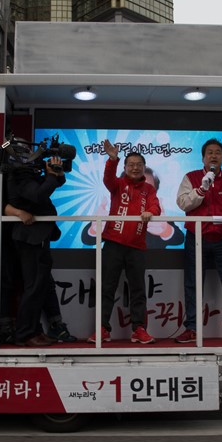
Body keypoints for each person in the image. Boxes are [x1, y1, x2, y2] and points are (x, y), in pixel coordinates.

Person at [174, 138, 222, 344]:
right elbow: (183, 203)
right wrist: (201, 189)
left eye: (218, 152)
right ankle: (191, 328)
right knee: (193, 284)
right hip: (195, 238)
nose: (213, 156)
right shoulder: (191, 177)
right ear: (203, 157)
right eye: (209, 152)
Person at [88, 139, 161, 344]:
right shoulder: (118, 184)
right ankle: (102, 329)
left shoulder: (149, 189)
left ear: (144, 167)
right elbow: (108, 179)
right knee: (107, 287)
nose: (135, 168)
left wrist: (150, 212)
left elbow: (156, 207)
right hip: (113, 243)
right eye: (131, 165)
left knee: (138, 290)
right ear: (125, 167)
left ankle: (139, 329)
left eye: (139, 165)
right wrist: (112, 159)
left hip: (137, 247)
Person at [5, 155, 71, 347]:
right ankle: (26, 334)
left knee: (40, 286)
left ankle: (33, 331)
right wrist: (50, 176)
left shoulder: (27, 177)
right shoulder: (20, 176)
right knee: (34, 287)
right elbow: (38, 195)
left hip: (37, 237)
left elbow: (50, 185)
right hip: (31, 238)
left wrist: (56, 174)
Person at [1, 203, 76, 344]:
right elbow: (3, 204)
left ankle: (47, 326)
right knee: (22, 284)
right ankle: (15, 330)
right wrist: (19, 212)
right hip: (12, 237)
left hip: (27, 234)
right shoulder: (17, 189)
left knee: (42, 282)